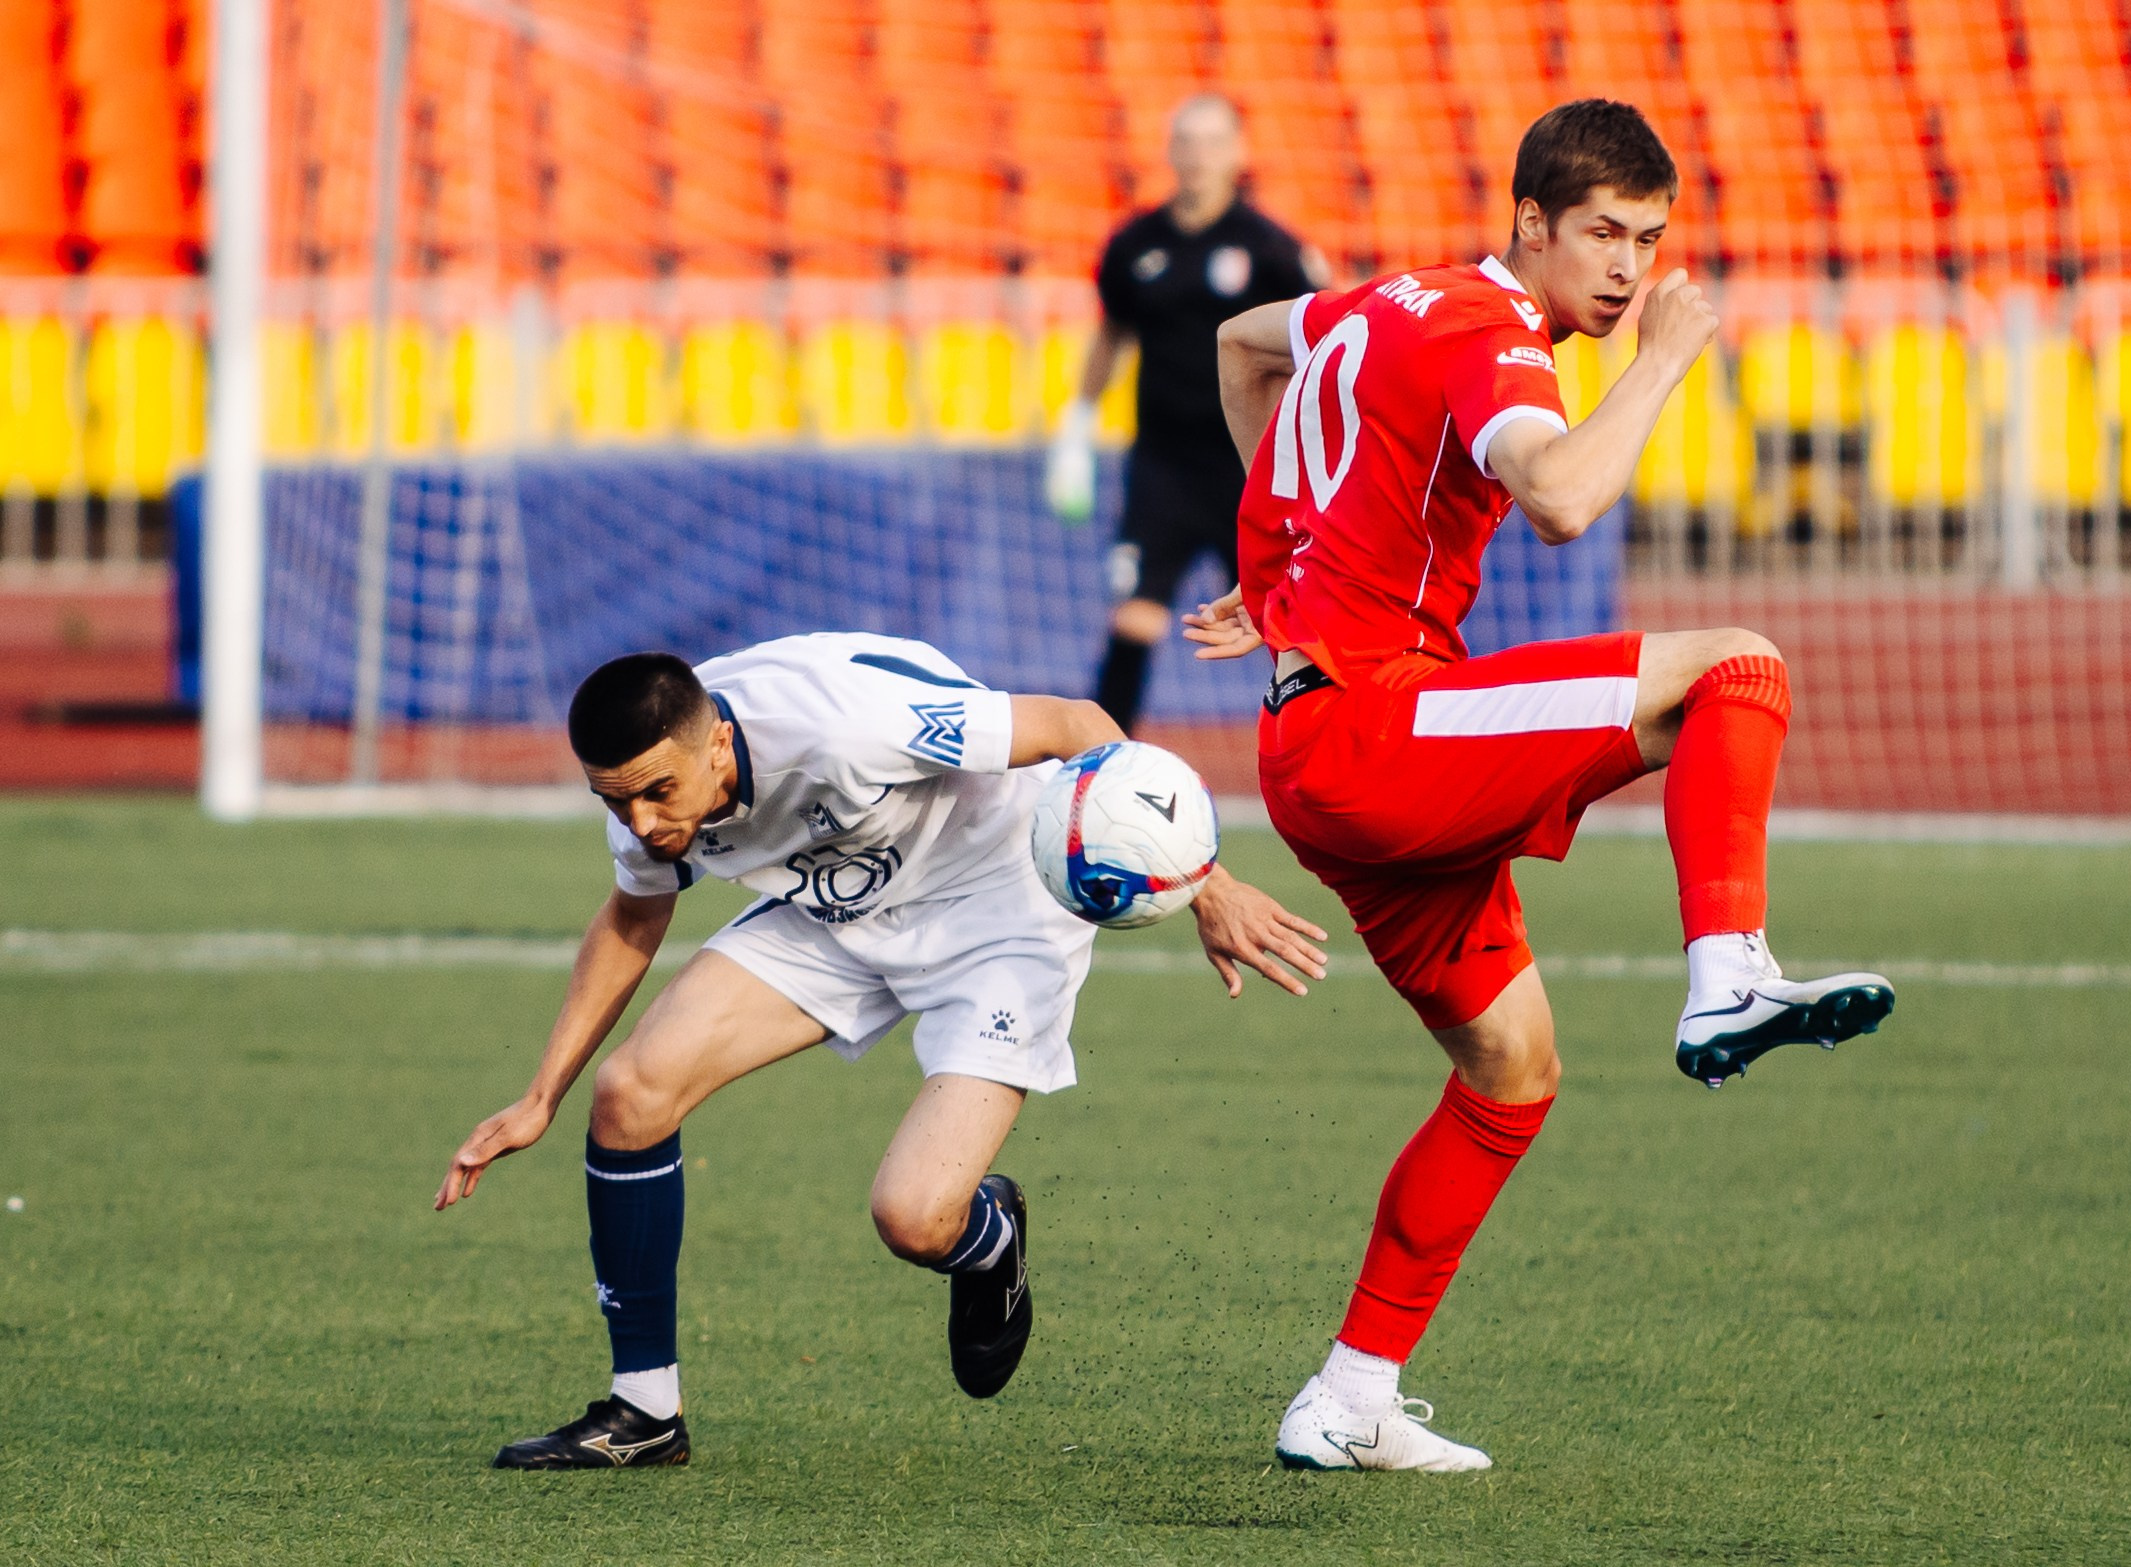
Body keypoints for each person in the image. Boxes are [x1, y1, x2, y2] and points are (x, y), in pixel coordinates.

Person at [1187, 100, 1897, 1472]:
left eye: (1649, 240)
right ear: (1529, 223)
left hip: (1318, 746)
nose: (1628, 270)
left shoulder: (1378, 300)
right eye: (1601, 235)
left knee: (1509, 1073)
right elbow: (1562, 495)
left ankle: (1348, 1395)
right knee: (1734, 670)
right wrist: (1662, 362)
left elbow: (1239, 345)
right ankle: (1729, 969)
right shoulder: (1495, 333)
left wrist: (1290, 568)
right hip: (1371, 729)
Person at [434, 633, 1326, 1469]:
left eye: (654, 794)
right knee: (629, 1094)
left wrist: (1210, 886)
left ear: (714, 747)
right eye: (612, 800)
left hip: (999, 906)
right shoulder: (648, 792)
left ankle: (989, 1239)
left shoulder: (845, 727)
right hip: (841, 907)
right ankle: (646, 1412)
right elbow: (634, 914)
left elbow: (1075, 727)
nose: (637, 821)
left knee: (913, 1216)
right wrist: (543, 1093)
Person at [1047, 92, 1325, 735]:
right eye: (1187, 142)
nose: (1198, 156)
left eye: (1212, 142)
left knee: (1288, 623)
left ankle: (1326, 755)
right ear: (1171, 152)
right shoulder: (1135, 245)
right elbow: (1112, 334)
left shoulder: (1271, 248)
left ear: (1237, 154)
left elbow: (1324, 338)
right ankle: (1100, 766)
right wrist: (1077, 426)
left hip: (1251, 467)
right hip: (1163, 468)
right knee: (1134, 618)